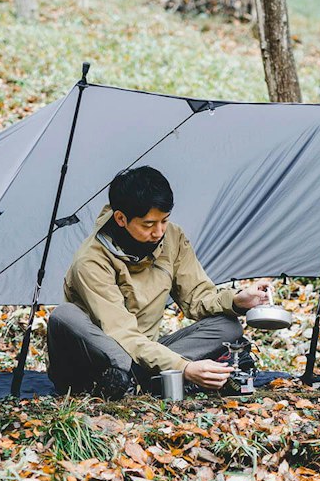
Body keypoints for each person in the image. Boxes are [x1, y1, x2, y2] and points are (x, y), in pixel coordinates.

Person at [47, 166, 273, 399]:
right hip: (98, 357)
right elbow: (121, 334)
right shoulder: (91, 260)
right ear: (121, 218)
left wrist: (236, 300)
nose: (159, 232)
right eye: (148, 224)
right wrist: (184, 367)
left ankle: (140, 379)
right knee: (64, 315)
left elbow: (196, 298)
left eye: (164, 221)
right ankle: (135, 378)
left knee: (228, 325)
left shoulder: (172, 237)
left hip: (144, 353)